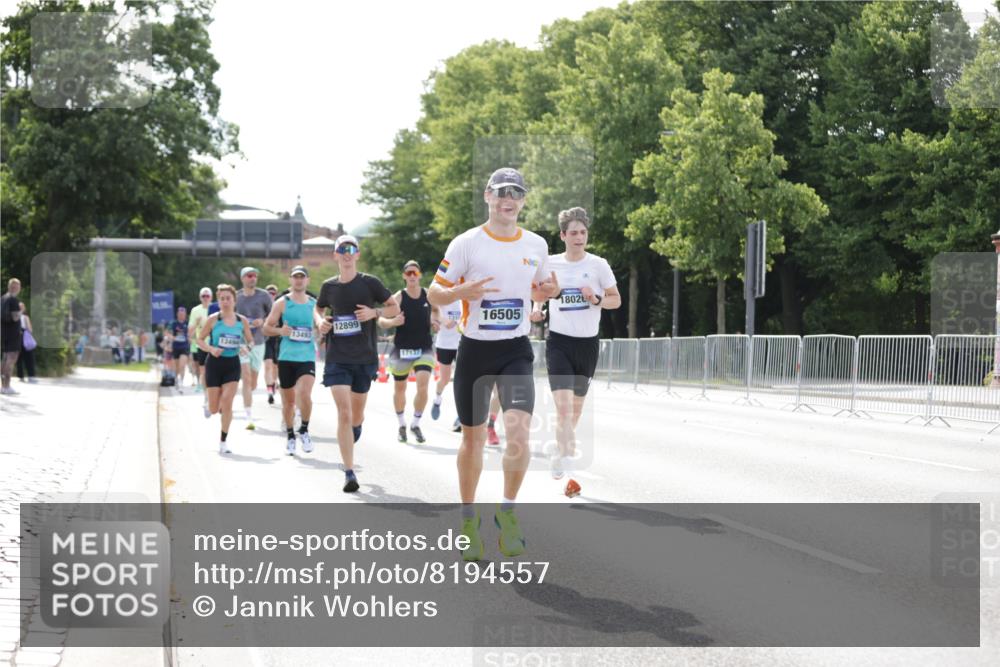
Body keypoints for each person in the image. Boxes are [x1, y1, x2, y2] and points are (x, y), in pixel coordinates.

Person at [428, 167, 559, 561]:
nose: (509, 199)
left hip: (515, 351)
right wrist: (460, 292)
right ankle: (469, 521)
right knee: (473, 440)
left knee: (518, 436)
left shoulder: (536, 244)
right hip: (475, 351)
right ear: (488, 196)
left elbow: (542, 286)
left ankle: (507, 513)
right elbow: (435, 294)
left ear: (522, 200)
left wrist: (548, 291)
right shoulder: (467, 243)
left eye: (516, 193)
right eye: (502, 191)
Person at [533, 207, 621, 498]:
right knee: (563, 408)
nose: (579, 237)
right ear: (563, 236)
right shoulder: (552, 263)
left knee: (576, 411)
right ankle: (570, 472)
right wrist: (539, 306)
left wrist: (596, 298)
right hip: (559, 342)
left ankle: (560, 451)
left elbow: (616, 300)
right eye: (573, 232)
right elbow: (539, 293)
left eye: (583, 232)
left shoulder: (598, 265)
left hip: (587, 344)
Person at [316, 234, 399, 492]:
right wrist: (320, 322)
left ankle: (356, 427)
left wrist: (374, 313)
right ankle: (349, 472)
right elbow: (318, 309)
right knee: (343, 412)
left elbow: (393, 308)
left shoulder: (370, 283)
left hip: (364, 358)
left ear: (358, 254)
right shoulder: (329, 287)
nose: (347, 253)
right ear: (336, 255)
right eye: (342, 249)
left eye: (352, 248)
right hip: (337, 357)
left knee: (356, 414)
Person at [264, 266, 323, 456]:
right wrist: (281, 331)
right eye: (295, 277)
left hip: (306, 357)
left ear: (307, 281)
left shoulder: (314, 304)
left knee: (304, 393)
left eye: (302, 277)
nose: (298, 280)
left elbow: (319, 321)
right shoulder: (282, 303)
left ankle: (304, 430)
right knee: (288, 403)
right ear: (290, 280)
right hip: (287, 357)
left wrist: (321, 328)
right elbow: (266, 328)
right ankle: (290, 436)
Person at [379, 260, 438, 445]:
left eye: (415, 273)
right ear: (404, 276)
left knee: (423, 385)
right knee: (400, 388)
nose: (412, 276)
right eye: (409, 273)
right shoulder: (399, 296)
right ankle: (402, 423)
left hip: (424, 347)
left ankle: (416, 423)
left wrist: (435, 321)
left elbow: (437, 311)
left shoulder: (428, 294)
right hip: (402, 348)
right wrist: (392, 322)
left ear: (419, 275)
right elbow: (381, 319)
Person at [197, 284, 254, 454]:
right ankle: (209, 402)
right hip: (214, 364)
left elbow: (250, 341)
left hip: (232, 364)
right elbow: (199, 340)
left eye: (228, 298)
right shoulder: (213, 319)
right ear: (218, 301)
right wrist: (211, 349)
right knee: (215, 409)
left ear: (234, 301)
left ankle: (223, 441)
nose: (225, 301)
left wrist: (247, 348)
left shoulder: (241, 321)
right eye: (222, 298)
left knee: (228, 401)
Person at [235, 267, 274, 430]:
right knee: (245, 376)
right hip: (241, 342)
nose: (253, 278)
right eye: (250, 276)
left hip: (258, 342)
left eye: (255, 276)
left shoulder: (264, 295)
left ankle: (246, 398)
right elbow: (230, 316)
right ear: (243, 278)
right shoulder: (236, 297)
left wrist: (262, 321)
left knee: (253, 382)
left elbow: (273, 315)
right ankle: (248, 414)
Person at [430, 295, 462, 433]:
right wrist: (441, 321)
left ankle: (461, 416)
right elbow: (433, 312)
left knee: (462, 381)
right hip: (444, 345)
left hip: (462, 344)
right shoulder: (441, 298)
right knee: (445, 379)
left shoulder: (463, 299)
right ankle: (437, 399)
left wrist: (457, 321)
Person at [188, 287, 213, 400]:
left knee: (214, 372)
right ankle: (206, 396)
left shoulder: (215, 308)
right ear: (200, 297)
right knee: (203, 372)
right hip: (201, 345)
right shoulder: (195, 310)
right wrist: (196, 323)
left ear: (211, 297)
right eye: (203, 296)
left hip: (214, 345)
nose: (205, 298)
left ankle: (215, 395)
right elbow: (190, 331)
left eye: (207, 296)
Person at [1, 278, 24, 395]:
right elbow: (15, 317)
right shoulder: (13, 300)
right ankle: (6, 386)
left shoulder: (3, 298)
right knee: (11, 359)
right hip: (13, 334)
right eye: (17, 287)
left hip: (4, 333)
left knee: (5, 359)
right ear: (15, 288)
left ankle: (3, 386)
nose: (17, 289)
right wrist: (21, 310)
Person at [263, 283, 281, 406]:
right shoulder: (263, 307)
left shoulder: (280, 305)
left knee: (276, 367)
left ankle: (273, 383)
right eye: (269, 293)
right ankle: (270, 390)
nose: (271, 295)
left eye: (273, 293)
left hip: (279, 340)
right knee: (268, 365)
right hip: (266, 340)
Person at [167, 307, 191, 390]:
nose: (181, 315)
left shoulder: (188, 323)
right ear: (177, 314)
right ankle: (176, 379)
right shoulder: (173, 323)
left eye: (183, 314)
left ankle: (181, 381)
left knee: (182, 365)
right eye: (180, 314)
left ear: (185, 315)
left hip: (184, 347)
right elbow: (167, 333)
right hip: (175, 347)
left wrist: (189, 337)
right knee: (176, 366)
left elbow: (191, 333)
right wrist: (172, 337)